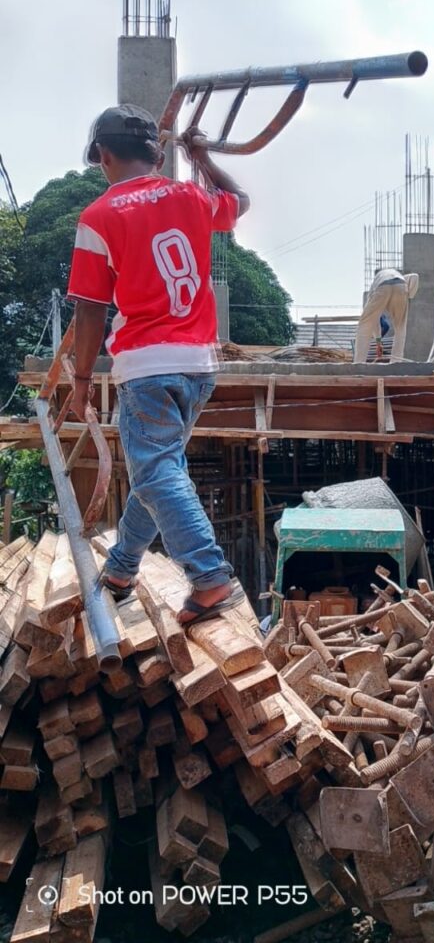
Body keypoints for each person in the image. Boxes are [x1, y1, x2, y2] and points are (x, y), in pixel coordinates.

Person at [67, 104, 250, 626]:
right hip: (199, 364)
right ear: (156, 154)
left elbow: (90, 309)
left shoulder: (99, 216)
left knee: (155, 472)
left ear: (103, 155)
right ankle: (122, 569)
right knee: (159, 471)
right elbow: (240, 202)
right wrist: (203, 158)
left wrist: (82, 380)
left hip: (146, 365)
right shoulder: (192, 195)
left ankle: (210, 577)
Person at [354, 267, 419, 363]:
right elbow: (415, 276)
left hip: (382, 286)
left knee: (365, 325)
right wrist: (409, 295)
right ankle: (396, 362)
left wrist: (378, 341)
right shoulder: (403, 277)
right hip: (402, 287)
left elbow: (374, 322)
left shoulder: (374, 286)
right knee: (400, 327)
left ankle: (359, 363)